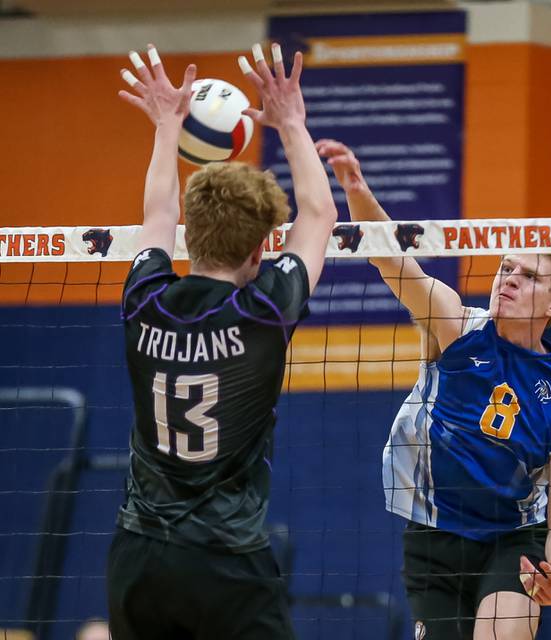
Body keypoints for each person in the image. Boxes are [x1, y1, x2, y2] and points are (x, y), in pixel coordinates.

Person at [106, 42, 336, 639]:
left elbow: (156, 213)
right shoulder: (263, 312)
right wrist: (291, 122)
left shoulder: (145, 298)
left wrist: (166, 128)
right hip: (226, 561)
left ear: (190, 234)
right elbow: (318, 215)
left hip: (139, 556)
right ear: (262, 250)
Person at [317, 139, 551, 639]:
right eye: (506, 268)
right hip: (434, 536)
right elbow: (392, 261)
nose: (508, 280)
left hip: (513, 537)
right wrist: (357, 189)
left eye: (528, 276)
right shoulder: (456, 325)